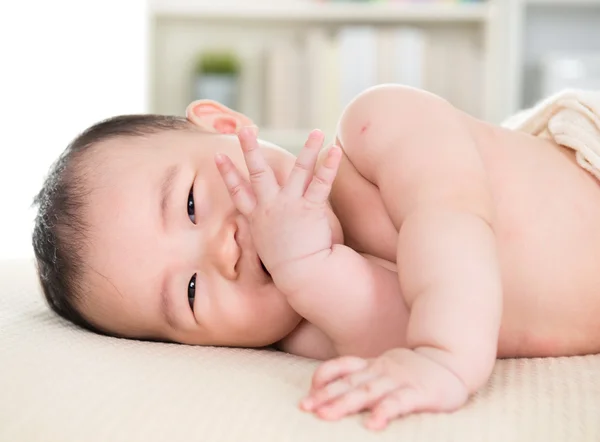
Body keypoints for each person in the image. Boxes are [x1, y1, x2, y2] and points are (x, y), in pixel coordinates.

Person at [32, 85, 600, 430]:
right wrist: (310, 268)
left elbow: (454, 223)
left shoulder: (382, 127)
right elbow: (400, 327)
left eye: (189, 203)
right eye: (190, 293)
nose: (222, 250)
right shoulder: (309, 329)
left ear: (228, 127)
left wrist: (444, 358)